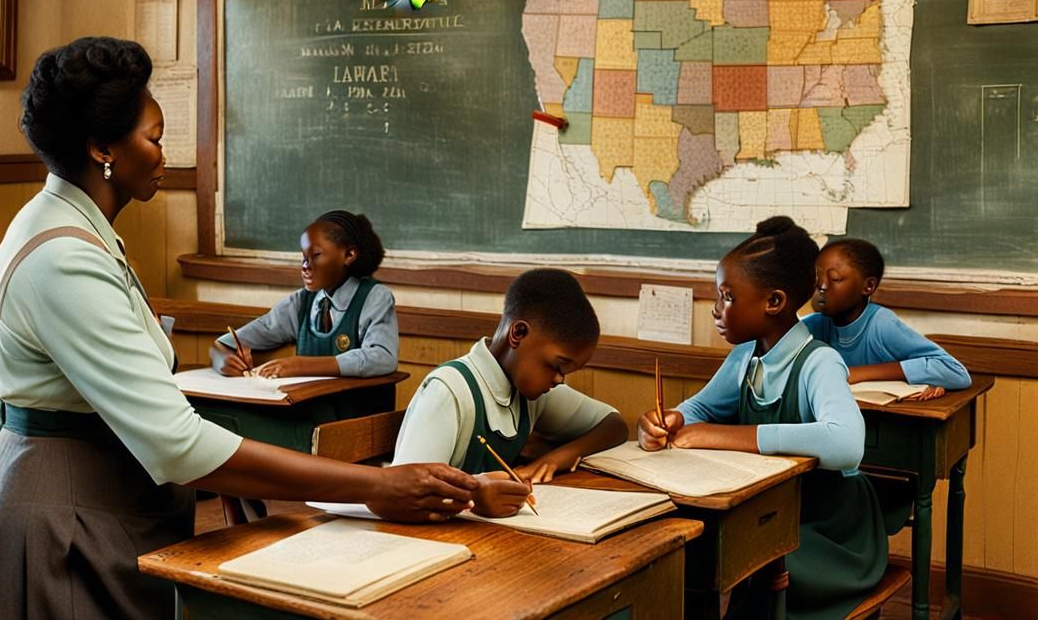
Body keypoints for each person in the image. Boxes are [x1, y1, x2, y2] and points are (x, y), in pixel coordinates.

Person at [0, 36, 501, 619]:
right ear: (101, 148)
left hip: (95, 503)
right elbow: (177, 444)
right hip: (65, 522)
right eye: (154, 137)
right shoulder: (64, 257)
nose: (164, 154)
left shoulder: (62, 223)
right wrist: (374, 486)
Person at [638, 216, 887, 620]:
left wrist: (722, 436)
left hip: (830, 532)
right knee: (706, 558)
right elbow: (700, 410)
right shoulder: (745, 355)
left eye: (727, 297)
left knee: (746, 565)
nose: (717, 310)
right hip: (771, 518)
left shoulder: (819, 361)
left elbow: (846, 444)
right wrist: (669, 421)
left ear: (774, 302)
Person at [392, 268, 627, 517]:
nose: (560, 379)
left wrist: (555, 459)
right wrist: (473, 496)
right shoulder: (450, 390)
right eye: (557, 366)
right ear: (519, 334)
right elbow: (404, 494)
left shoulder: (530, 392)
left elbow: (614, 425)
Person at [210, 210, 397, 378]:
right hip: (308, 408)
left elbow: (382, 357)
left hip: (358, 412)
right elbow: (227, 342)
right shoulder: (301, 302)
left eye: (316, 256)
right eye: (304, 257)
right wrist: (221, 359)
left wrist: (301, 365)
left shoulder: (375, 297)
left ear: (349, 255)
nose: (305, 267)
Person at [804, 238, 970, 400]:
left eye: (835, 279)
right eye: (818, 278)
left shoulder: (881, 324)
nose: (822, 286)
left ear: (868, 286)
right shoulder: (815, 324)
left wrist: (858, 373)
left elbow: (955, 372)